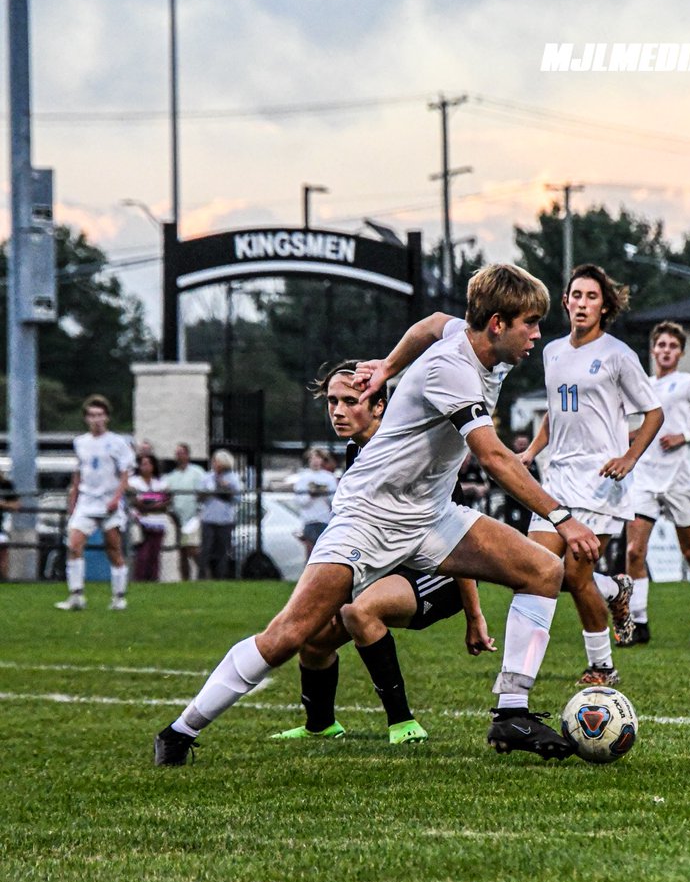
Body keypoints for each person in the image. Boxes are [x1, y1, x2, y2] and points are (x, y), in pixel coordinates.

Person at [153, 262, 600, 767]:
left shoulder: (473, 341)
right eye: (531, 323)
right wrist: (563, 518)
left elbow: (432, 322)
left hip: (430, 516)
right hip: (369, 517)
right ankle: (179, 732)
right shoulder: (451, 369)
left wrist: (387, 366)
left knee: (542, 570)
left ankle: (511, 712)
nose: (538, 335)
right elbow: (495, 458)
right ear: (497, 323)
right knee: (290, 635)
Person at [273, 359, 495, 744]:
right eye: (332, 401)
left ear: (379, 406)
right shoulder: (355, 451)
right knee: (312, 634)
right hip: (388, 568)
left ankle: (403, 723)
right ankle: (320, 724)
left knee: (359, 611)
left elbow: (461, 538)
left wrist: (474, 615)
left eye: (350, 401)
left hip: (439, 575)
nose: (338, 411)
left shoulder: (412, 452)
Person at [521, 263, 664, 686]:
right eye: (577, 296)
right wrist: (530, 451)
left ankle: (602, 665)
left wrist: (629, 458)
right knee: (536, 570)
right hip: (557, 480)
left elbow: (654, 413)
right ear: (565, 302)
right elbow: (555, 410)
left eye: (592, 297)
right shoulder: (552, 352)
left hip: (602, 483)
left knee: (575, 574)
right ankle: (615, 589)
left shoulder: (618, 355)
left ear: (604, 306)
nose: (583, 304)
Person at [621, 321, 690, 648]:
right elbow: (646, 430)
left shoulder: (689, 383)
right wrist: (622, 439)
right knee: (634, 551)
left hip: (679, 480)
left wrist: (685, 436)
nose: (666, 350)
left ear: (680, 353)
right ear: (653, 350)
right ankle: (639, 623)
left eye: (672, 346)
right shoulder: (645, 385)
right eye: (661, 345)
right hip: (645, 479)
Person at [55, 394, 135, 611]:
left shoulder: (117, 442)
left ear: (106, 417)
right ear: (86, 418)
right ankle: (76, 595)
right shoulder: (80, 442)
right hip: (87, 502)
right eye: (92, 415)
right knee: (74, 545)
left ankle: (119, 597)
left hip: (109, 503)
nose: (96, 419)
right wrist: (73, 501)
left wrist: (117, 498)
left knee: (113, 549)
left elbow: (125, 474)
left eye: (100, 415)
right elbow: (78, 474)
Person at [164, 443, 206, 580]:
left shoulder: (197, 472)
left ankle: (205, 575)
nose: (179, 456)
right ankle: (185, 579)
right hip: (178, 519)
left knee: (193, 549)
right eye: (177, 453)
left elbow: (203, 491)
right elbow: (167, 496)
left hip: (194, 518)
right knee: (182, 551)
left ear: (187, 455)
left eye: (181, 453)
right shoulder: (170, 476)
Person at [198, 450, 242, 579]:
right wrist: (208, 492)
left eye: (216, 461)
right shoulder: (207, 477)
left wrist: (225, 488)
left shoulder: (233, 478)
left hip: (225, 520)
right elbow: (199, 496)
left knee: (222, 551)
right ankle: (202, 576)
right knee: (206, 549)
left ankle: (220, 576)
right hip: (208, 519)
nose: (214, 464)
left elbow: (237, 498)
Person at [129, 453, 170, 582]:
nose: (145, 467)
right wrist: (154, 504)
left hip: (158, 522)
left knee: (155, 554)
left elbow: (166, 501)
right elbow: (136, 502)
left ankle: (153, 579)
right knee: (143, 554)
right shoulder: (134, 482)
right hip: (141, 522)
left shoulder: (160, 482)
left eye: (148, 464)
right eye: (143, 464)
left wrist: (149, 504)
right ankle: (140, 579)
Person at [294, 447, 339, 562]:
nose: (315, 461)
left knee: (324, 553)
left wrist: (324, 492)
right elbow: (300, 501)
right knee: (310, 552)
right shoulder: (303, 477)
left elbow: (334, 500)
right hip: (309, 520)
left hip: (324, 520)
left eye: (318, 458)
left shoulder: (329, 477)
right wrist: (311, 495)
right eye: (312, 458)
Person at [0, 471, 20, 581]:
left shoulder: (5, 484)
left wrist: (2, 504)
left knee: (3, 554)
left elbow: (16, 505)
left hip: (1, 527)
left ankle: (4, 580)